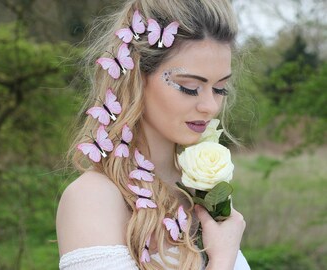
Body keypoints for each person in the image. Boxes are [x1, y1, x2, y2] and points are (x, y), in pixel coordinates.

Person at [56, 0, 250, 269]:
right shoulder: (93, 198)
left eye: (220, 89)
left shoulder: (198, 190)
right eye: (190, 87)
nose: (210, 106)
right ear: (136, 77)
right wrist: (222, 261)